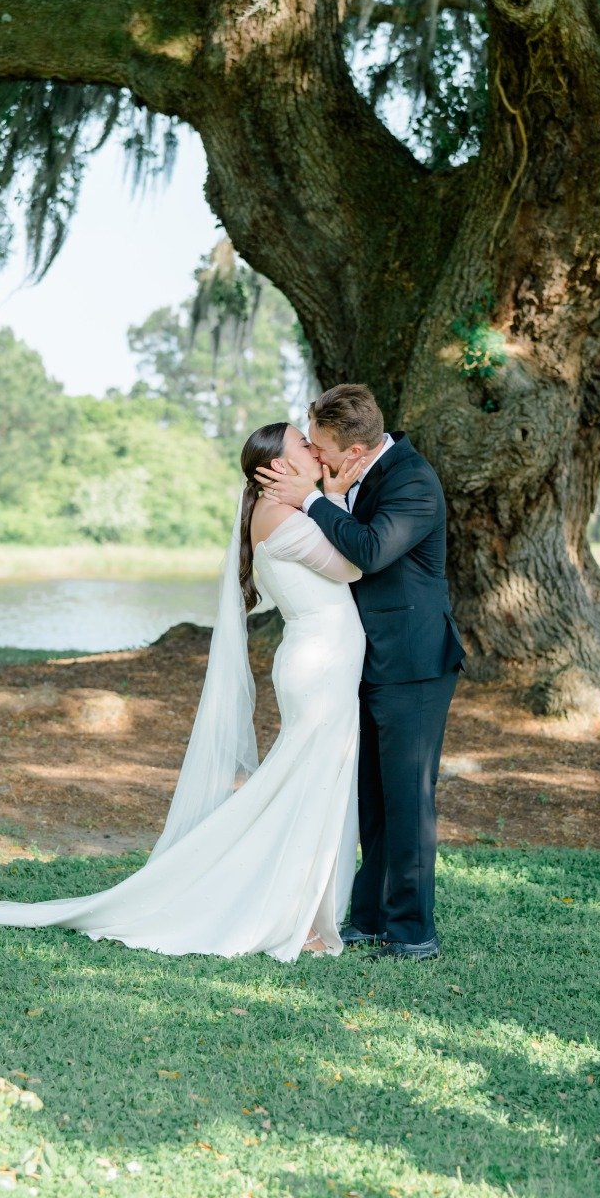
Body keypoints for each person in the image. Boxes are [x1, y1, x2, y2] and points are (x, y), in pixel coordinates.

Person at [0, 423, 367, 961]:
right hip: (317, 667)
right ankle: (283, 912)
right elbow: (351, 565)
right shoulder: (279, 514)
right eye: (302, 444)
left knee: (312, 784)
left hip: (328, 663)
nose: (313, 447)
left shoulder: (289, 510)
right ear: (276, 467)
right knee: (297, 787)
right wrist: (328, 497)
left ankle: (297, 908)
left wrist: (321, 500)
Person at [257, 384, 464, 960]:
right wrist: (325, 496)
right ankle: (369, 917)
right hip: (365, 659)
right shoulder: (351, 478)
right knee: (372, 799)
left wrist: (313, 500)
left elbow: (371, 552)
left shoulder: (413, 480)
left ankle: (413, 932)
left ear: (352, 451)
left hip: (413, 662)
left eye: (320, 448)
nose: (315, 458)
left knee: (408, 797)